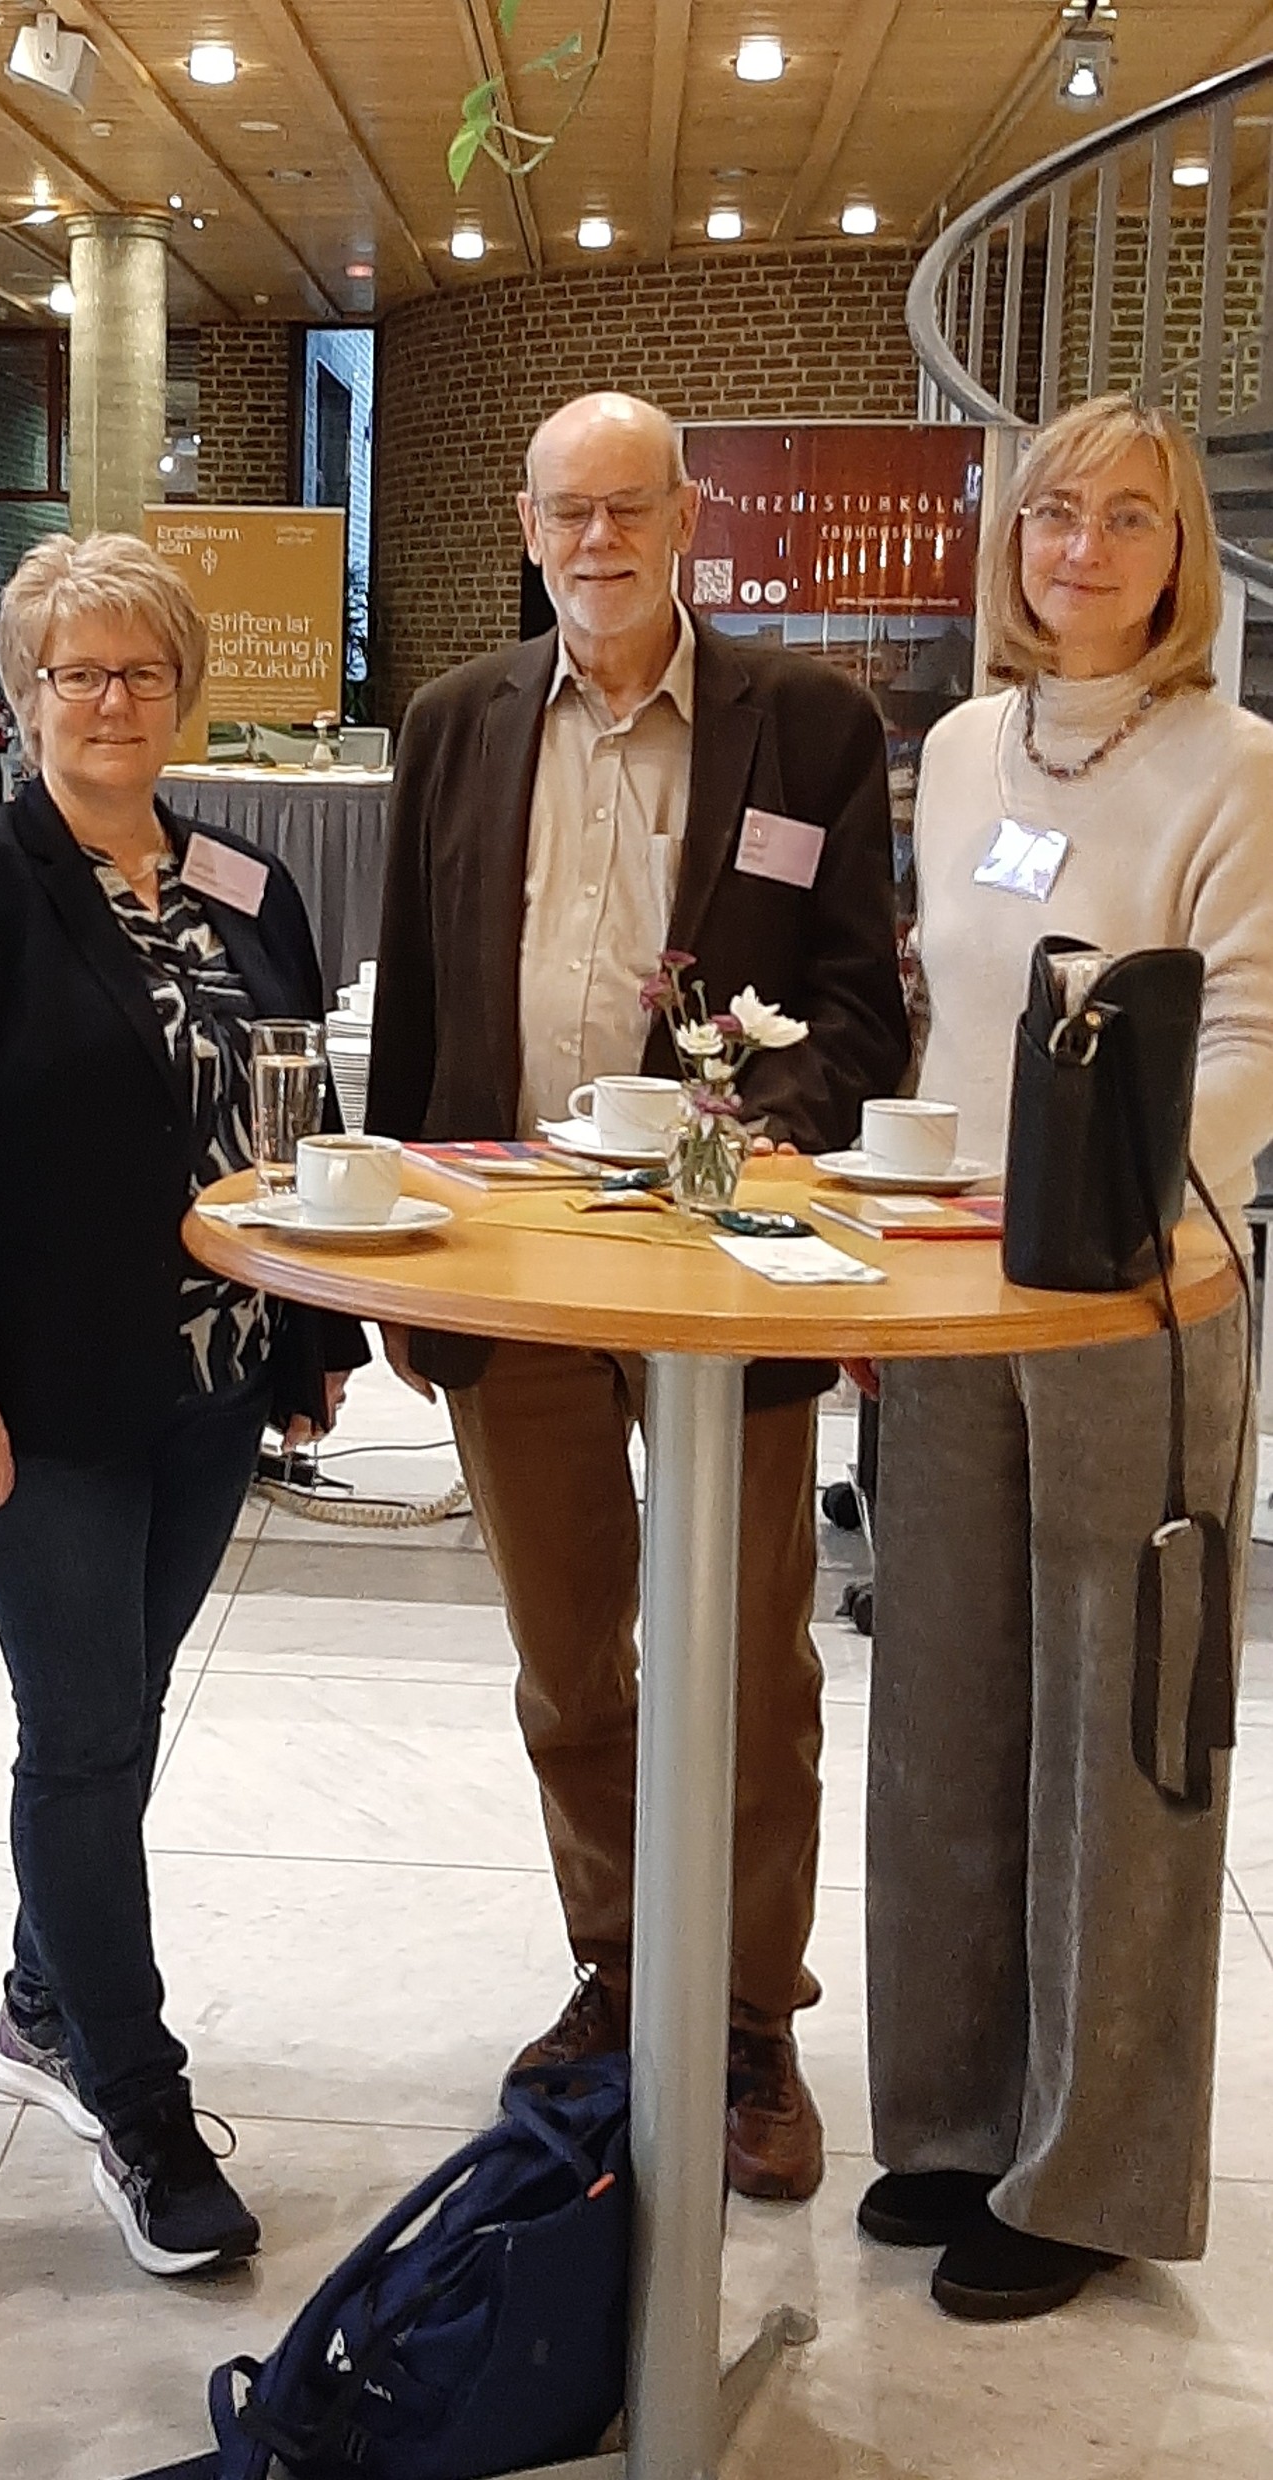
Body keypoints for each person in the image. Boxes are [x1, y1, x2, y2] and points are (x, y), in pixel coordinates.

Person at [365, 390, 909, 2201]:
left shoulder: (812, 724)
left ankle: (747, 2016)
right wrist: (392, 1246)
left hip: (719, 1268)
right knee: (563, 1660)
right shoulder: (452, 723)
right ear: (528, 531)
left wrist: (745, 1128)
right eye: (566, 514)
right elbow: (422, 1001)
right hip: (509, 1263)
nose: (597, 542)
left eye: (629, 509)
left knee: (750, 1666)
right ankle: (619, 1966)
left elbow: (858, 1008)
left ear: (687, 519)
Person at [0, 531, 365, 2280]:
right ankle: (138, 2100)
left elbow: (290, 1139)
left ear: (186, 692)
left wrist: (306, 1350)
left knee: (119, 1713)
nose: (113, 699)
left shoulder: (250, 880)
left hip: (213, 1382)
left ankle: (36, 1989)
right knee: (82, 1735)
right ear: (20, 699)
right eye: (78, 672)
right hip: (37, 1400)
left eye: (143, 670)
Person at [862, 396, 1273, 2320]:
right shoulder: (957, 748)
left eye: (1127, 520)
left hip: (1137, 1299)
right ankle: (953, 2125)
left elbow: (1250, 1036)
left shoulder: (1237, 763)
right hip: (954, 1292)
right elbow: (952, 1023)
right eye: (1051, 516)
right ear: (1010, 545)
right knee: (947, 1704)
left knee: (1123, 1734)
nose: (1082, 552)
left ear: (1178, 556)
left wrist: (1117, 1231)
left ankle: (1092, 2165)